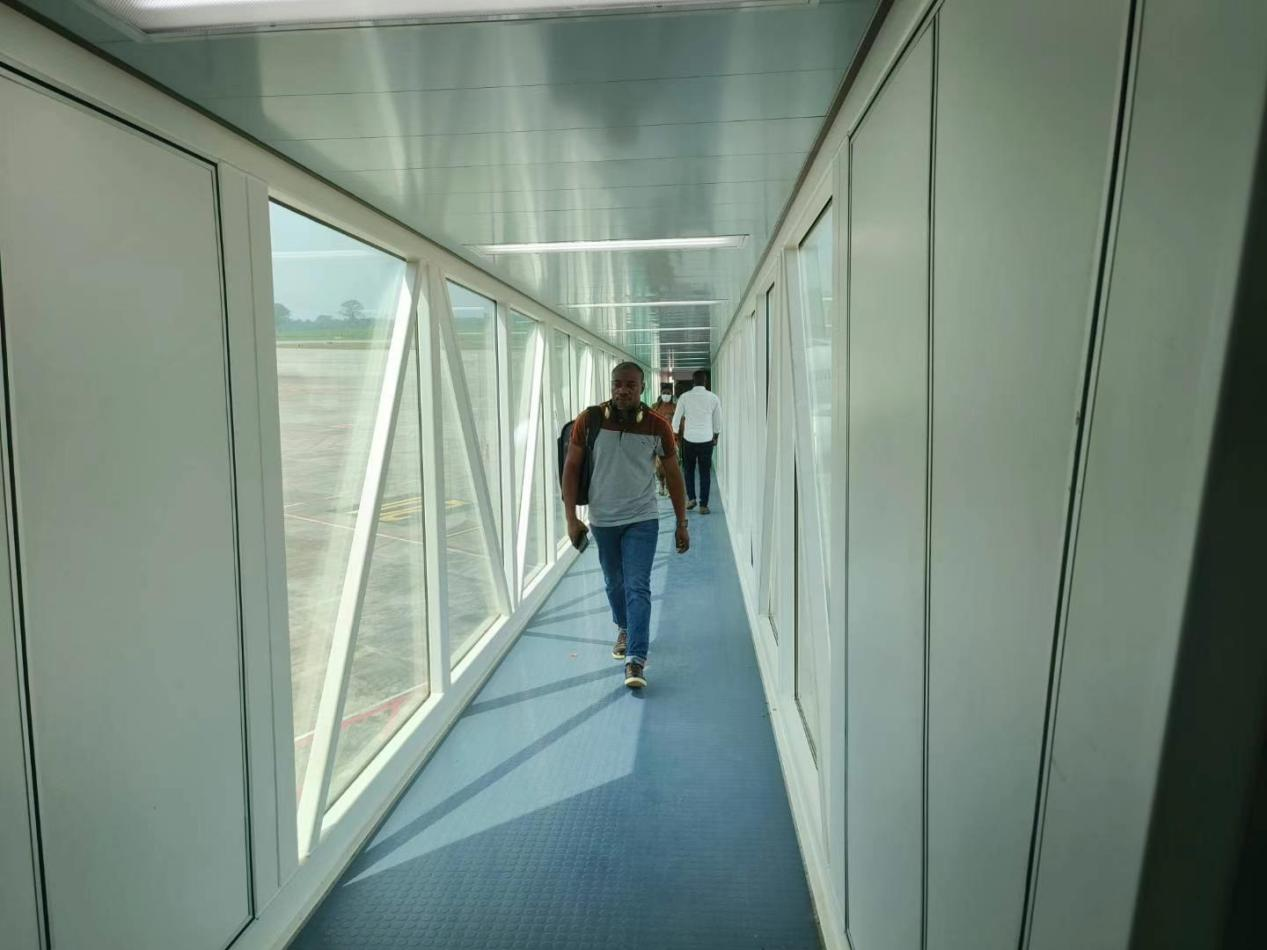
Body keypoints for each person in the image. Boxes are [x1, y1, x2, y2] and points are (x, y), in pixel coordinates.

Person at [562, 362, 689, 689]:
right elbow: (571, 468)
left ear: (642, 388)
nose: (623, 390)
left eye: (630, 385)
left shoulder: (657, 426)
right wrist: (571, 518)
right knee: (614, 583)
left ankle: (636, 659)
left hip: (642, 519)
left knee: (637, 585)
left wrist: (681, 522)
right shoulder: (589, 420)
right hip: (603, 519)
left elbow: (673, 475)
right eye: (617, 383)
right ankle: (624, 626)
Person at [671, 370, 721, 514]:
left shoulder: (684, 397)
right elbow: (718, 421)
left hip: (689, 440)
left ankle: (691, 499)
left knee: (688, 471)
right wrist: (716, 436)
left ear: (693, 382)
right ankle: (703, 505)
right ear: (705, 382)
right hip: (706, 440)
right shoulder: (713, 398)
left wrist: (675, 434)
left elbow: (676, 419)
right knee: (705, 472)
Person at [651, 382, 677, 496]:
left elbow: (679, 424)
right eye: (664, 393)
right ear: (661, 394)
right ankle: (661, 484)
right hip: (657, 440)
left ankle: (668, 487)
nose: (666, 395)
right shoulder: (654, 407)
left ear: (671, 395)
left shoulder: (675, 407)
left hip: (672, 440)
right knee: (658, 466)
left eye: (668, 393)